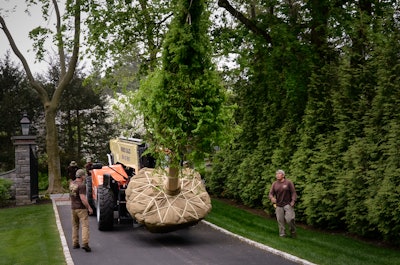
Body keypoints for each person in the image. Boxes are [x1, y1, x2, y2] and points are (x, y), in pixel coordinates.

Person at [69, 169, 93, 252]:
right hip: (81, 208)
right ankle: (85, 243)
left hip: (73, 208)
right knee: (85, 226)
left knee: (75, 226)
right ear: (82, 176)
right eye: (84, 175)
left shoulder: (72, 184)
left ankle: (75, 243)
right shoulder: (81, 185)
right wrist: (89, 207)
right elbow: (83, 198)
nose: (85, 177)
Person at [269, 169, 297, 238]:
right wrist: (272, 198)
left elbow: (293, 192)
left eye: (279, 174)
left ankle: (293, 232)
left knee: (290, 219)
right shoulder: (274, 184)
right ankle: (282, 234)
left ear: (283, 175)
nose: (277, 175)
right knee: (280, 220)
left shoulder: (288, 183)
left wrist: (293, 201)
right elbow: (270, 193)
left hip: (287, 204)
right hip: (278, 204)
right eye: (276, 174)